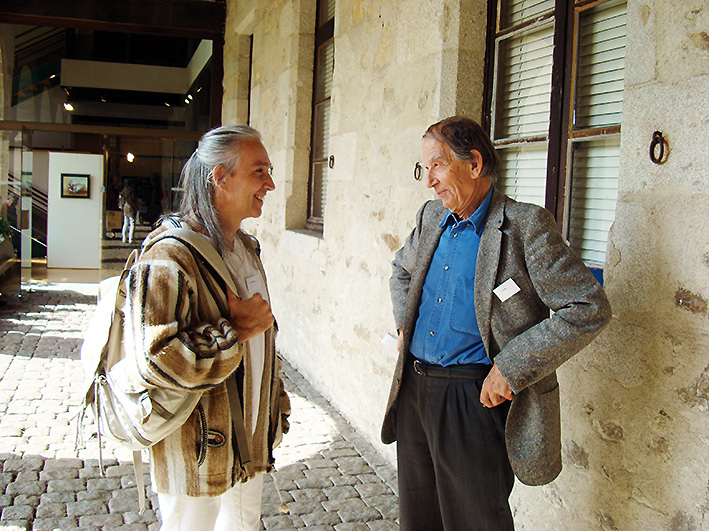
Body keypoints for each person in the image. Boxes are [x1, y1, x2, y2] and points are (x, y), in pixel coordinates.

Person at [381, 116, 611, 530]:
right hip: (414, 390)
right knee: (419, 518)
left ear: (474, 163)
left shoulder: (525, 226)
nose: (429, 180)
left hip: (471, 398)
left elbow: (586, 306)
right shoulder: (432, 217)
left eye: (437, 165)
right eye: (425, 168)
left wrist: (512, 365)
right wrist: (404, 325)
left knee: (475, 521)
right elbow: (401, 271)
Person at [122, 125, 290, 530]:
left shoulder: (246, 248)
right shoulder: (168, 255)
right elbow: (156, 359)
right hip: (194, 445)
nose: (270, 182)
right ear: (220, 176)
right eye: (259, 171)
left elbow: (263, 342)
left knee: (243, 525)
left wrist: (274, 405)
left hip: (246, 438)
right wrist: (235, 331)